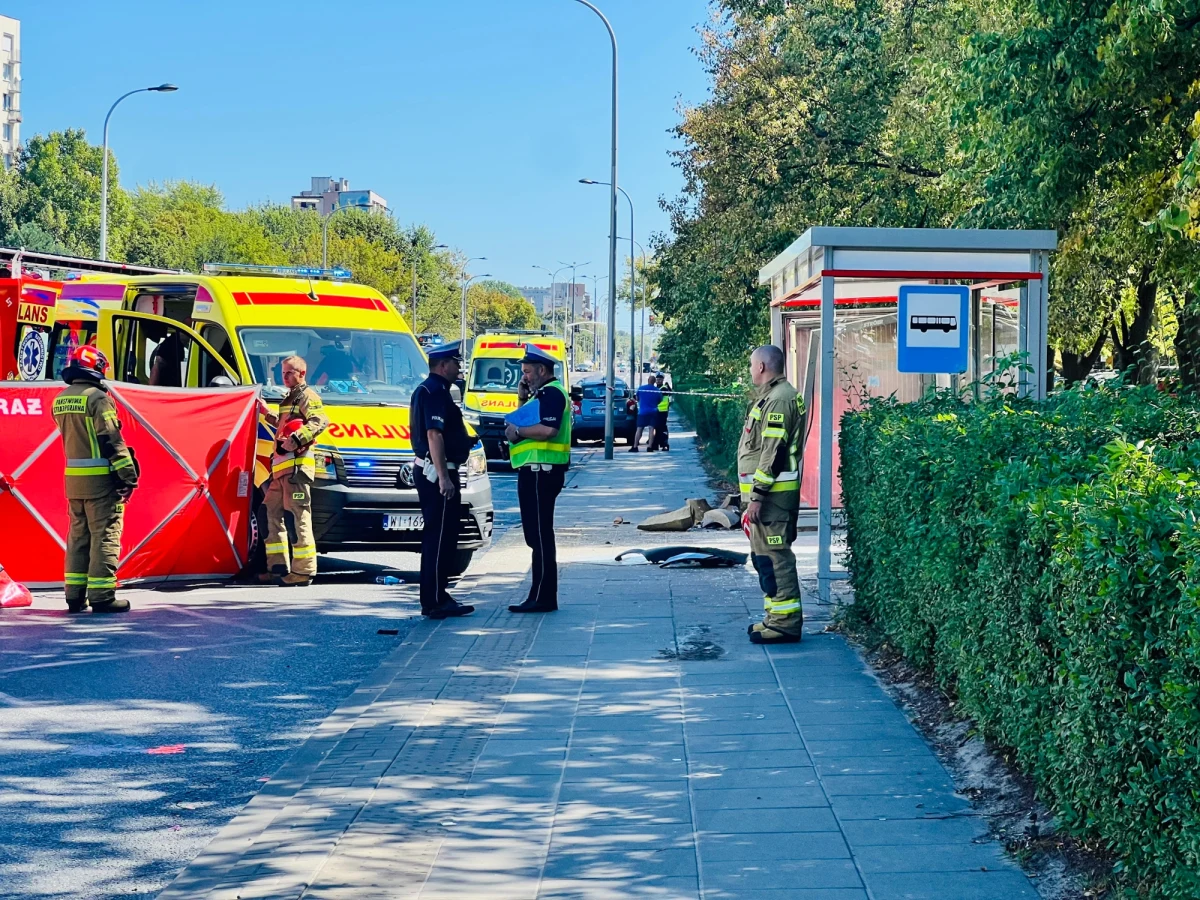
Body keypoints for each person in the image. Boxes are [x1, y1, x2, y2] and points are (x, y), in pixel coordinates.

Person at [52, 345, 139, 613]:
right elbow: (111, 439)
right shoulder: (98, 398)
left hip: (74, 482)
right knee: (105, 536)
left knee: (78, 537)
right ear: (98, 367)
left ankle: (75, 596)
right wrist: (128, 476)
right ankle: (102, 595)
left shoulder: (62, 398)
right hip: (101, 482)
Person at [739, 345, 806, 645]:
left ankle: (785, 624)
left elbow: (772, 451)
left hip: (772, 499)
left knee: (776, 559)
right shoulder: (773, 397)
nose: (751, 370)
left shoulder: (778, 400)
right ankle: (774, 618)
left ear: (763, 366)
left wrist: (757, 496)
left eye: (753, 365)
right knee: (765, 559)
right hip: (770, 499)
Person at [409, 341, 475, 619]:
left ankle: (438, 595)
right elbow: (434, 435)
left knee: (442, 535)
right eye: (456, 363)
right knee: (440, 537)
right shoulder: (435, 391)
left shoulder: (430, 390)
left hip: (435, 470)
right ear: (443, 365)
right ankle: (435, 599)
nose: (459, 367)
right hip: (437, 472)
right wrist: (445, 478)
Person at [504, 345, 571, 613]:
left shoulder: (553, 394)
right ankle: (538, 594)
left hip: (541, 474)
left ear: (542, 370)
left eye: (528, 372)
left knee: (540, 537)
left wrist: (518, 432)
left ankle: (543, 597)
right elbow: (524, 417)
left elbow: (548, 430)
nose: (525, 377)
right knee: (536, 536)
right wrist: (521, 398)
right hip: (534, 473)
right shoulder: (541, 395)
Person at [259, 355, 329, 586]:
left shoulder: (307, 395)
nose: (285, 376)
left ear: (302, 374)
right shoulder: (289, 398)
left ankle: (303, 571)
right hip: (281, 471)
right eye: (283, 373)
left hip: (296, 470)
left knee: (297, 517)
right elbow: (282, 426)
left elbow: (320, 420)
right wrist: (264, 412)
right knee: (269, 513)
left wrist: (297, 439)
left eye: (290, 372)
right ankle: (277, 567)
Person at [630, 373, 662, 452]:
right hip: (653, 412)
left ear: (648, 380)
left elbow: (637, 398)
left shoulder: (641, 388)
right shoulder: (657, 390)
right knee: (651, 429)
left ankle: (635, 447)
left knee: (639, 429)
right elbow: (659, 400)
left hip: (642, 412)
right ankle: (650, 447)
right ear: (654, 382)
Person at [650, 372, 672, 451]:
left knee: (662, 428)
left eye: (660, 379)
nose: (658, 381)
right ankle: (656, 444)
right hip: (656, 411)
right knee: (656, 428)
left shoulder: (663, 388)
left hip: (662, 411)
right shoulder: (657, 388)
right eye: (657, 379)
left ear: (662, 380)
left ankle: (664, 444)